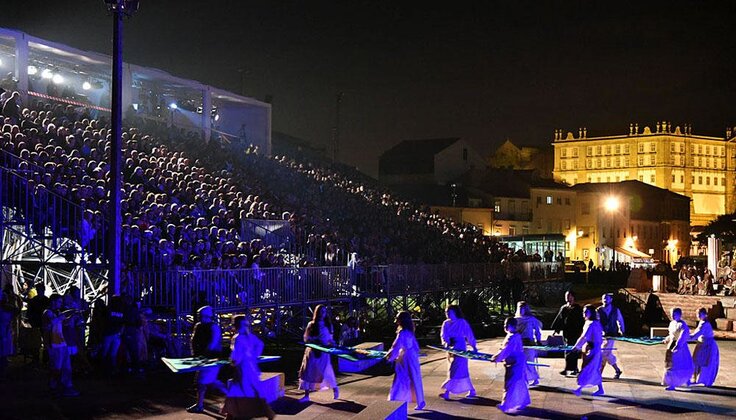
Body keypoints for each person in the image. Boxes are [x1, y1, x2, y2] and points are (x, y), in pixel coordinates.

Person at [221, 315, 274, 420]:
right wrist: (254, 355)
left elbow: (236, 356)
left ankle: (267, 412)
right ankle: (231, 415)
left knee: (239, 391)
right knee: (248, 390)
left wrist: (233, 361)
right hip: (251, 368)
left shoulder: (237, 338)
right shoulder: (250, 336)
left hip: (242, 369)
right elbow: (260, 345)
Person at [187, 305, 227, 413]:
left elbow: (213, 343)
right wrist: (195, 355)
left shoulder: (213, 327)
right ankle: (200, 404)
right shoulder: (198, 326)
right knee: (207, 381)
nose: (199, 317)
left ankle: (200, 405)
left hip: (211, 359)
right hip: (203, 359)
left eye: (200, 315)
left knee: (202, 382)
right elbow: (193, 340)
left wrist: (204, 355)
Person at [298, 304, 339, 402]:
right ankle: (306, 395)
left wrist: (332, 343)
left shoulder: (328, 325)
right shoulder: (311, 324)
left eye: (324, 312)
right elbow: (306, 338)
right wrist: (314, 340)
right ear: (317, 313)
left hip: (323, 353)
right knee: (307, 372)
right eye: (320, 311)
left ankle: (335, 388)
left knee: (327, 371)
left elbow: (330, 339)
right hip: (312, 352)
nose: (322, 314)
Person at [386, 311, 425, 410]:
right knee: (414, 378)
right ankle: (419, 401)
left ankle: (395, 399)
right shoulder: (410, 331)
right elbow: (415, 346)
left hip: (405, 359)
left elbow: (396, 346)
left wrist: (389, 357)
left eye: (397, 318)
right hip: (412, 357)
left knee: (401, 378)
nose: (396, 320)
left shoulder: (402, 332)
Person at [490, 317, 530, 414]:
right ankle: (523, 402)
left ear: (512, 326)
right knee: (519, 382)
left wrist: (497, 358)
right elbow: (504, 349)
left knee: (510, 384)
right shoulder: (514, 335)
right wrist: (498, 356)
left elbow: (506, 350)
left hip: (514, 363)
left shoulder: (512, 337)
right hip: (517, 362)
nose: (505, 326)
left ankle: (505, 404)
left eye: (506, 325)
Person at [41, 294, 79, 397]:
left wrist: (71, 317)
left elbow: (64, 323)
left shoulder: (57, 312)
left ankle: (66, 386)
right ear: (53, 302)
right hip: (54, 344)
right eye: (59, 302)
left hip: (62, 343)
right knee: (56, 368)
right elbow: (47, 326)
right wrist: (60, 317)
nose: (60, 304)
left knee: (66, 367)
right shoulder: (47, 313)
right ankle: (54, 387)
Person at [439, 304, 477, 399]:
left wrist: (473, 346)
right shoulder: (446, 323)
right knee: (457, 370)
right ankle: (471, 390)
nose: (448, 314)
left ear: (455, 312)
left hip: (460, 348)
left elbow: (469, 334)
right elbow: (443, 335)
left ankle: (447, 392)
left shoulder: (462, 322)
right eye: (446, 312)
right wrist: (446, 343)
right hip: (451, 348)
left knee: (455, 369)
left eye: (449, 312)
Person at [572, 304, 604, 397]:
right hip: (592, 349)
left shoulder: (592, 324)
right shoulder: (590, 323)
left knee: (588, 369)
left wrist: (576, 346)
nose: (584, 313)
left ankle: (579, 389)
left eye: (586, 312)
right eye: (584, 312)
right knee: (593, 370)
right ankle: (600, 389)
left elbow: (584, 337)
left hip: (594, 350)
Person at [551, 290, 584, 376]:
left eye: (569, 296)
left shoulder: (577, 308)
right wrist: (556, 330)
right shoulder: (564, 308)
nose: (567, 297)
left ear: (573, 297)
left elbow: (581, 321)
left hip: (575, 332)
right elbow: (560, 319)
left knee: (573, 350)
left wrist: (581, 331)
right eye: (566, 296)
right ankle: (567, 368)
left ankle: (574, 368)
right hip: (566, 332)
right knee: (566, 350)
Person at [663, 307, 694, 390]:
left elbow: (683, 336)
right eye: (671, 314)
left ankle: (684, 380)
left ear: (679, 315)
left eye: (674, 314)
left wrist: (678, 344)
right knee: (670, 365)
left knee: (679, 364)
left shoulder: (682, 325)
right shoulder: (672, 323)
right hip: (671, 345)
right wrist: (667, 339)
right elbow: (671, 334)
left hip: (680, 347)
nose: (672, 316)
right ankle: (671, 383)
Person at [596, 293, 624, 378]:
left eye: (607, 298)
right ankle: (617, 370)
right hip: (602, 335)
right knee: (607, 353)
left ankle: (599, 373)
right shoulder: (599, 310)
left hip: (612, 334)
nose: (605, 300)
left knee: (604, 352)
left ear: (611, 300)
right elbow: (596, 322)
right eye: (604, 298)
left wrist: (621, 330)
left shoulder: (616, 310)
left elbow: (620, 320)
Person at [515, 301, 543, 386]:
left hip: (529, 342)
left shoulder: (531, 319)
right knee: (520, 362)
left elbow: (537, 330)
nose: (521, 310)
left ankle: (533, 379)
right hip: (519, 342)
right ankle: (524, 379)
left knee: (529, 361)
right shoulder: (516, 319)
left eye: (522, 308)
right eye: (519, 308)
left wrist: (538, 340)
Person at [691, 307, 719, 386]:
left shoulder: (704, 324)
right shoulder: (702, 322)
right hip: (702, 344)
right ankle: (697, 379)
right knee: (697, 361)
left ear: (705, 314)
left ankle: (703, 380)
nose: (698, 315)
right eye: (697, 314)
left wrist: (683, 338)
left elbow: (696, 335)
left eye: (700, 314)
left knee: (704, 363)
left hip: (707, 345)